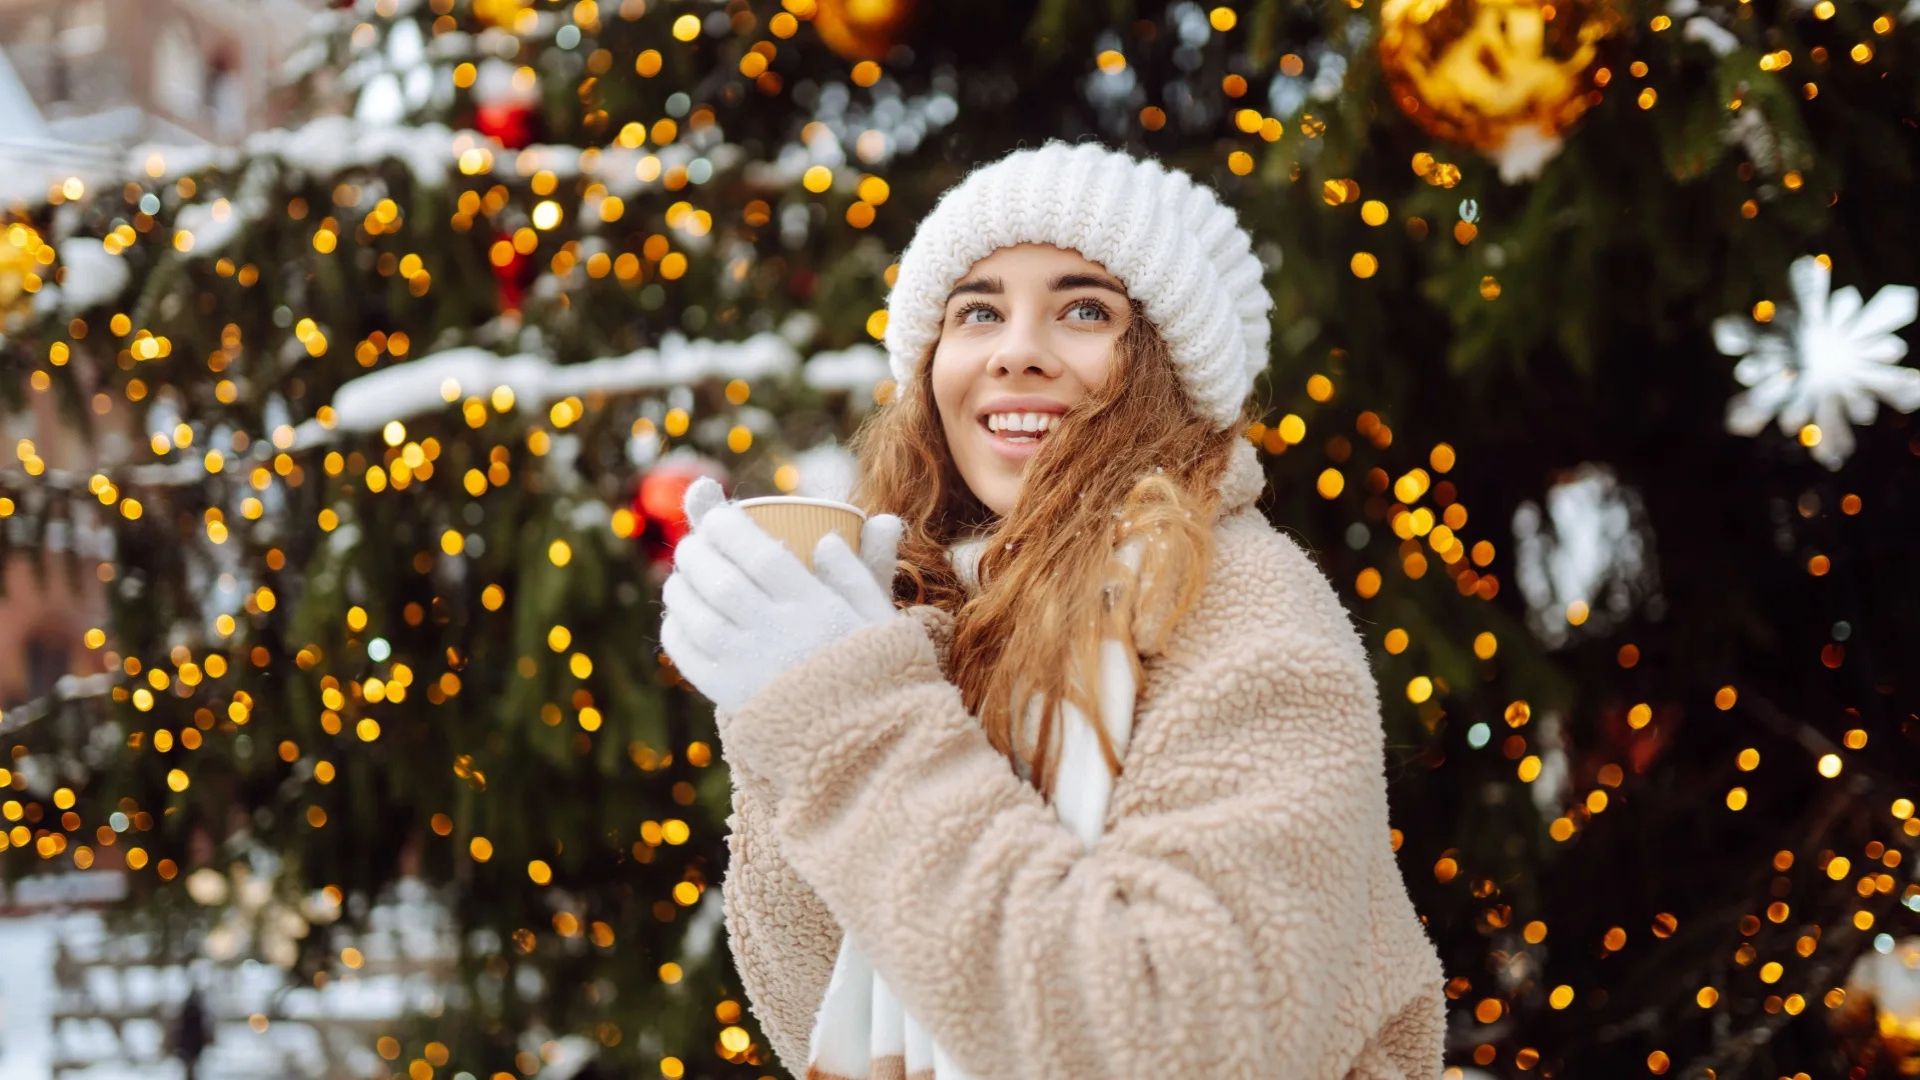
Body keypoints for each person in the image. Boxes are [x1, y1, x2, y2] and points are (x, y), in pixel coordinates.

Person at [658, 139, 1448, 1080]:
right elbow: (820, 1018)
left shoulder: (1243, 611)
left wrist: (850, 720)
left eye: (1083, 309)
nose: (1017, 351)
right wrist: (781, 726)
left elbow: (1177, 1041)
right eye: (977, 311)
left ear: (1168, 368)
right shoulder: (944, 623)